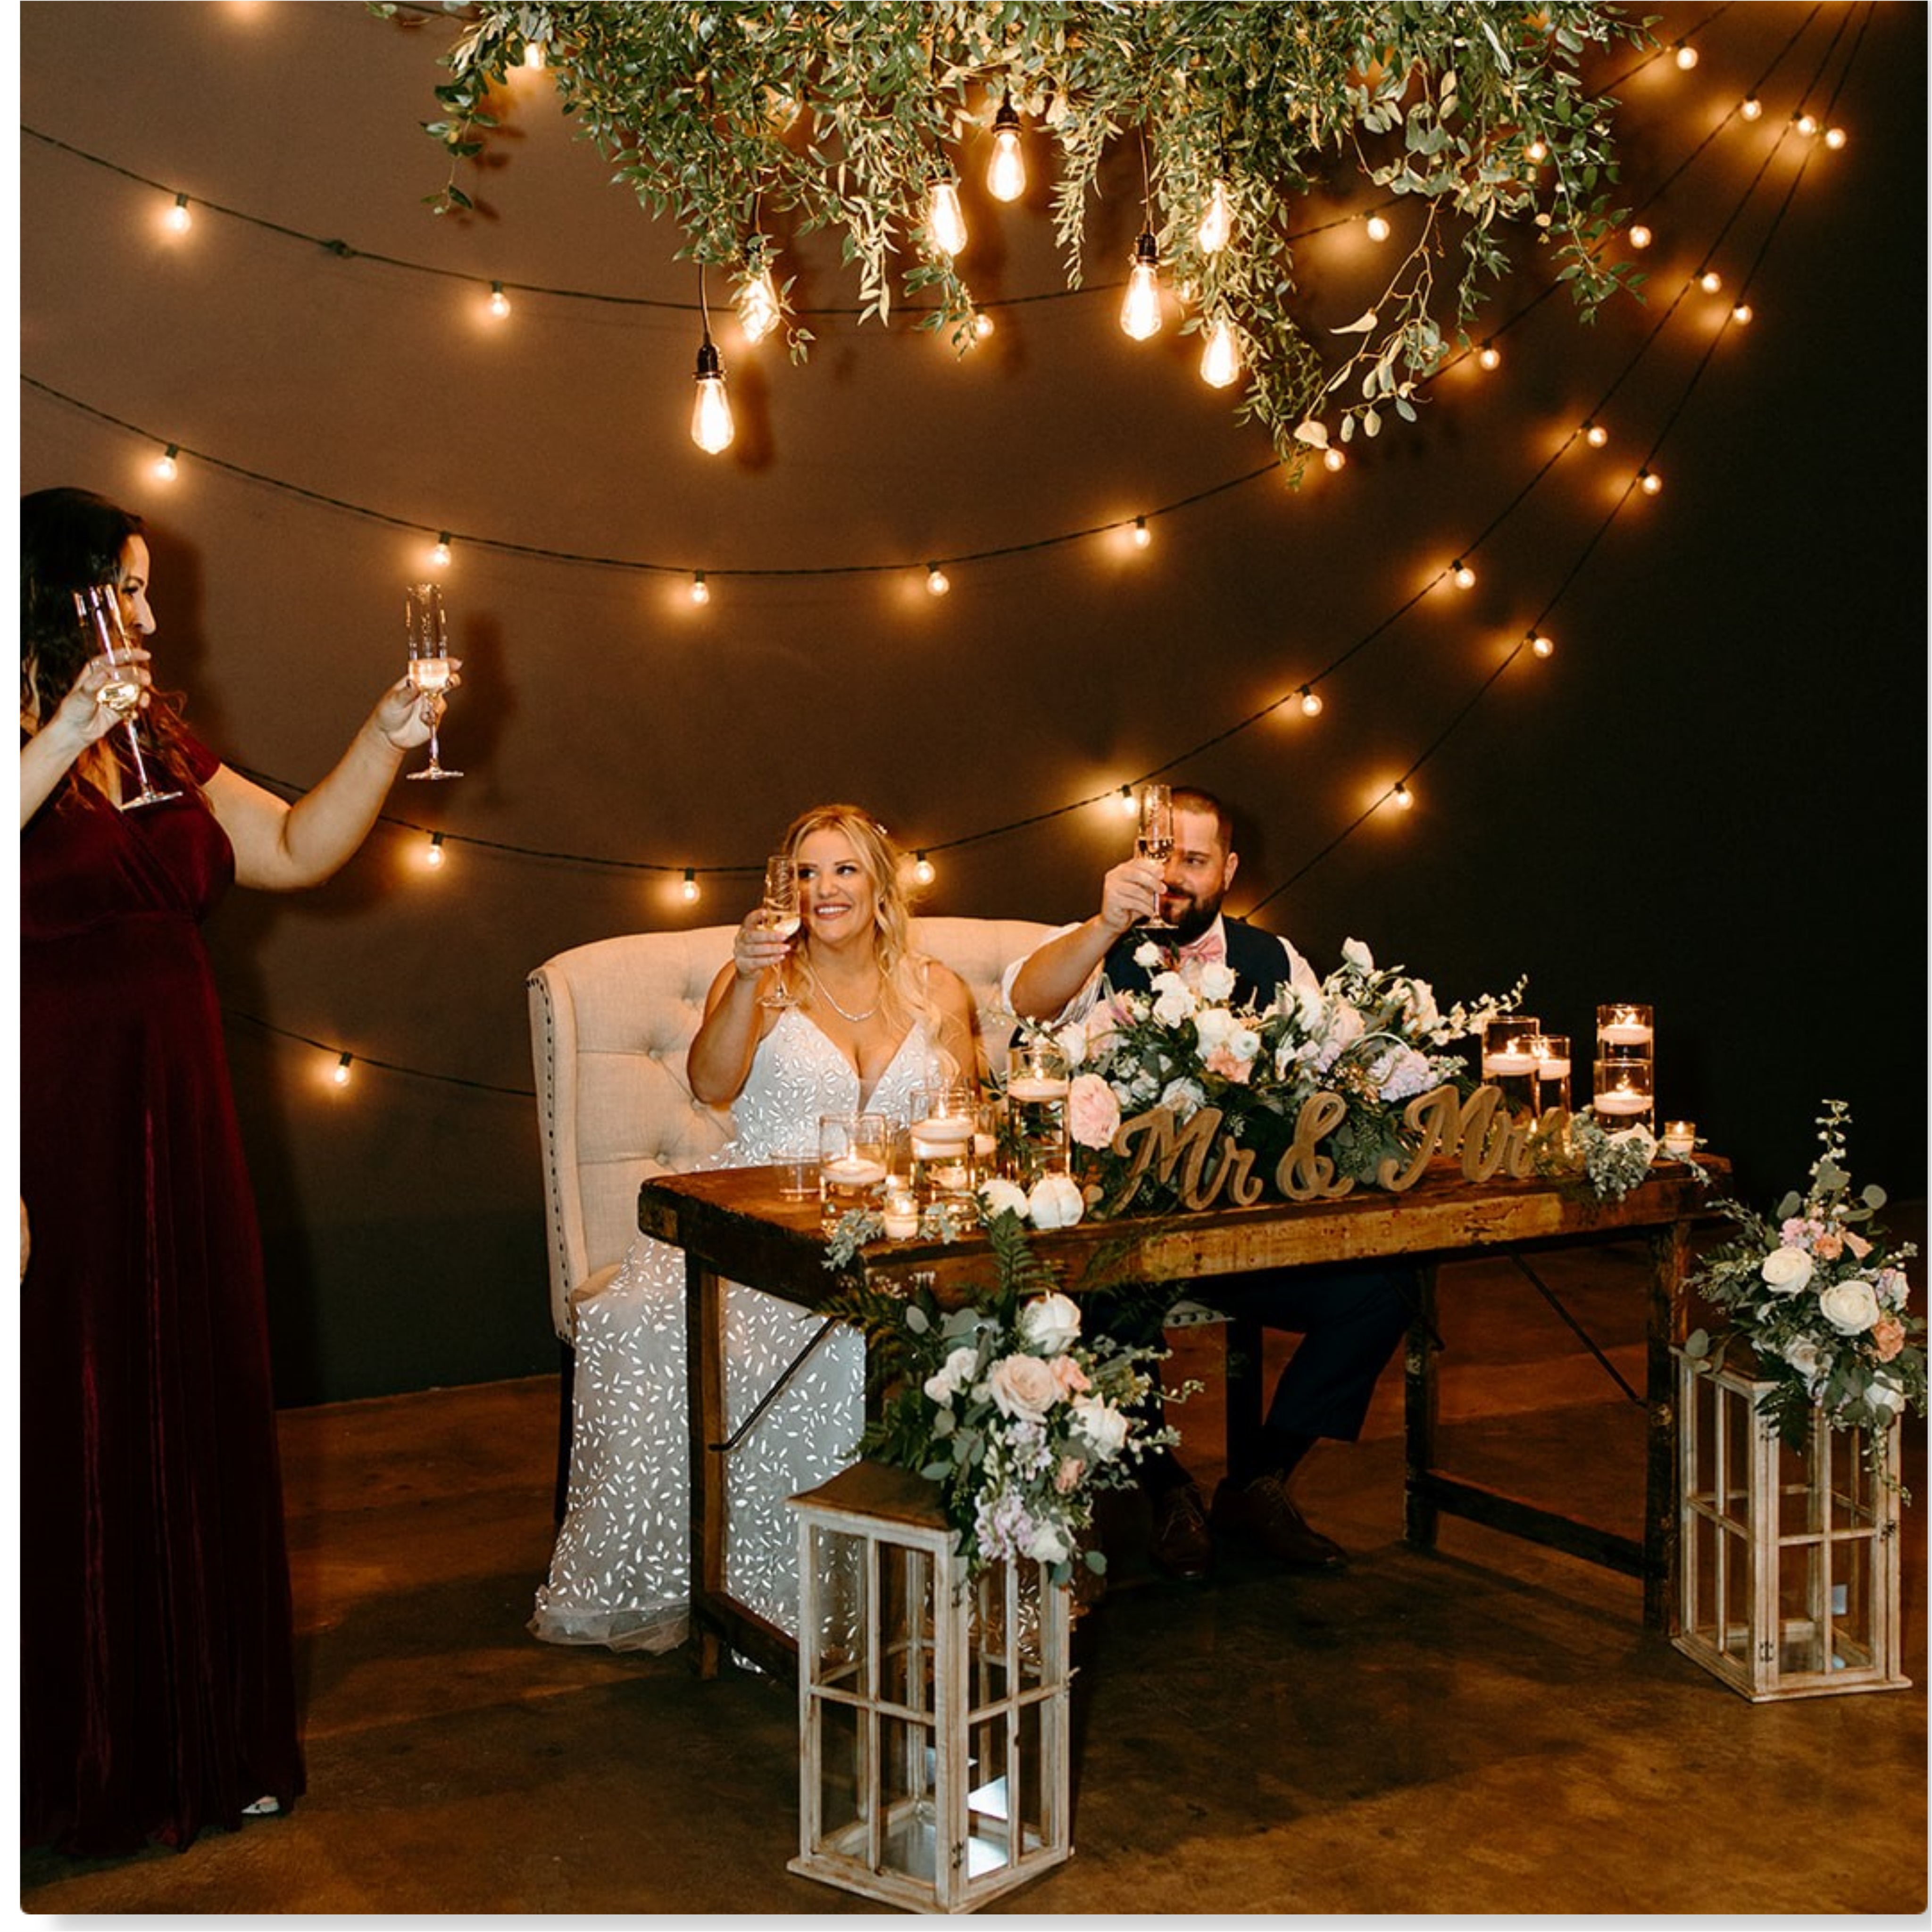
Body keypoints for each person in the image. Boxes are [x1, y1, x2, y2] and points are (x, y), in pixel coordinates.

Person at [19, 486, 455, 1855]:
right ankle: (73, 1760)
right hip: (49, 1107)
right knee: (69, 1399)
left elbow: (293, 847)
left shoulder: (149, 734)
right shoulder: (53, 730)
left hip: (179, 1095)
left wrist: (384, 737)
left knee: (189, 1380)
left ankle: (205, 1738)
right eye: (130, 588)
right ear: (61, 595)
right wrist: (57, 735)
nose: (151, 617)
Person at [533, 805, 982, 1651]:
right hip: (763, 1217)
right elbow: (711, 1085)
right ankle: (754, 1593)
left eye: (844, 870)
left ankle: (914, 1581)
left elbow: (966, 1116)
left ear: (880, 886)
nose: (823, 890)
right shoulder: (765, 981)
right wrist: (743, 981)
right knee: (711, 1328)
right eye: (806, 873)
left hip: (895, 1225)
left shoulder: (938, 990)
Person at [1005, 785, 1413, 1581]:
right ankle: (1166, 1491)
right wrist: (1105, 926)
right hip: (1131, 1237)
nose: (1173, 879)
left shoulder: (1276, 961)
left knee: (1383, 1288)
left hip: (1250, 1234)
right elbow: (1027, 1004)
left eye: (1193, 860)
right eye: (1160, 858)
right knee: (1094, 1292)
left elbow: (1335, 1075)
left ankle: (1259, 1479)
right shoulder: (1095, 943)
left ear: (1227, 870)